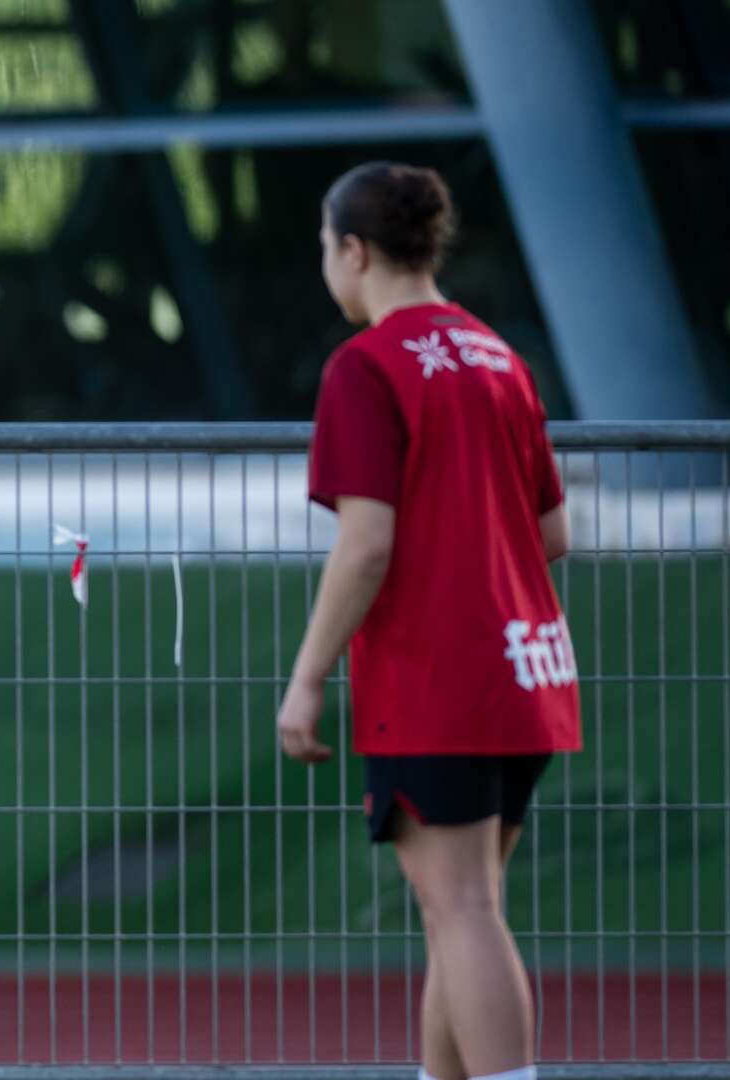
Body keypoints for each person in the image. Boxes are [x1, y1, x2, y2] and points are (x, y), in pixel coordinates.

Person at [277, 162, 579, 1080]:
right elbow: (553, 530)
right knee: (463, 907)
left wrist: (307, 676)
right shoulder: (497, 355)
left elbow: (366, 544)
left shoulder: (365, 366)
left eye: (327, 247)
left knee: (461, 913)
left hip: (436, 678)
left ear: (354, 251)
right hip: (526, 669)